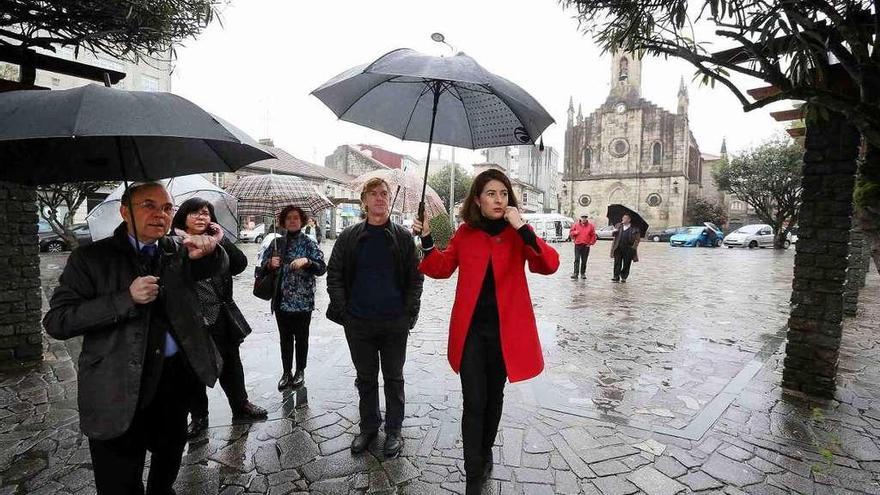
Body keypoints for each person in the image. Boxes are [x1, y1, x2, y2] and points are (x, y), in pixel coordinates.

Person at [43, 182, 227, 495]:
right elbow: (58, 321)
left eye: (167, 208)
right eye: (148, 205)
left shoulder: (175, 250)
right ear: (124, 210)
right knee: (119, 481)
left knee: (168, 460)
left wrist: (213, 248)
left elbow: (229, 265)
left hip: (172, 381)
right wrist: (125, 299)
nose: (161, 214)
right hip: (116, 384)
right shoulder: (91, 259)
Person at [413, 169, 560, 495]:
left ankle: (485, 449)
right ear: (478, 200)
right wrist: (425, 240)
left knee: (494, 399)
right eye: (491, 194)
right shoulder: (464, 233)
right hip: (471, 335)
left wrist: (522, 228)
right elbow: (439, 267)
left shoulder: (516, 234)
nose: (498, 199)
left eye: (503, 194)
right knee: (474, 401)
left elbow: (548, 264)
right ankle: (473, 471)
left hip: (506, 336)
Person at [326, 177, 423, 459]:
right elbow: (335, 275)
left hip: (394, 323)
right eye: (374, 194)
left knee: (394, 378)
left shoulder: (404, 238)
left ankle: (394, 429)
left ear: (389, 200)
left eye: (384, 193)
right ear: (364, 201)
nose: (380, 198)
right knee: (365, 378)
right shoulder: (349, 237)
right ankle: (369, 426)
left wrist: (408, 313)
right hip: (359, 323)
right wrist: (345, 312)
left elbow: (417, 278)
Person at [171, 198, 267, 439]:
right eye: (195, 213)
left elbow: (239, 264)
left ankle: (241, 405)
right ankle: (199, 416)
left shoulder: (217, 242)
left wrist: (221, 239)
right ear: (183, 217)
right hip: (191, 321)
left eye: (206, 213)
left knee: (232, 364)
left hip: (220, 316)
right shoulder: (172, 244)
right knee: (194, 370)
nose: (201, 217)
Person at [258, 206, 327, 390]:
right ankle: (286, 371)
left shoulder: (309, 242)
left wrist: (307, 261)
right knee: (285, 338)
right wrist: (269, 264)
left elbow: (321, 268)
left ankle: (300, 371)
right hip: (281, 299)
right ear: (283, 222)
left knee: (302, 337)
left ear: (302, 220)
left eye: (296, 218)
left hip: (303, 300)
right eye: (288, 218)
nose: (293, 221)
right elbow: (260, 269)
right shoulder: (277, 243)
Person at [610, 213, 641, 283]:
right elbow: (613, 235)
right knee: (617, 262)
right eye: (623, 218)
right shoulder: (618, 226)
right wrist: (614, 231)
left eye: (626, 218)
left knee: (626, 263)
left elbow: (637, 239)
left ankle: (624, 276)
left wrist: (634, 247)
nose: (624, 219)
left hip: (628, 248)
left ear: (629, 220)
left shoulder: (634, 228)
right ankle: (616, 276)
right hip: (618, 247)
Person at [569, 214, 597, 279]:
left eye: (585, 217)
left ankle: (583, 273)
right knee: (576, 259)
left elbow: (593, 235)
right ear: (580, 218)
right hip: (578, 244)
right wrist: (575, 233)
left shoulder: (591, 226)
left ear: (587, 218)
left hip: (586, 245)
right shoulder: (576, 225)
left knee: (584, 260)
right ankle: (575, 273)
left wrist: (590, 243)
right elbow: (571, 233)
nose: (584, 219)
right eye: (582, 217)